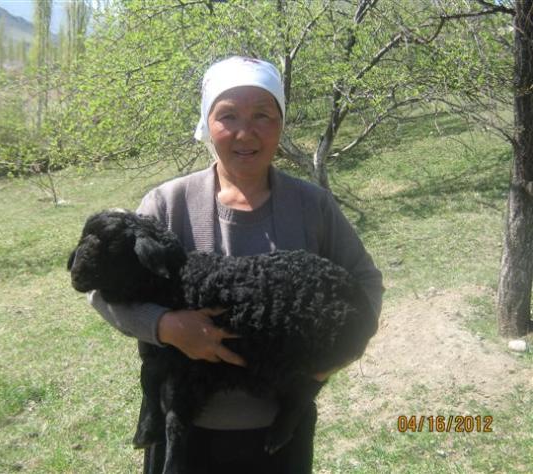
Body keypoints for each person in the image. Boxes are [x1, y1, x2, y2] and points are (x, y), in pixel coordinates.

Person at [89, 56, 383, 474]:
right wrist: (166, 327)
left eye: (263, 115)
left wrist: (322, 370)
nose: (246, 132)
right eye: (228, 116)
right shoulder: (167, 204)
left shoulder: (312, 206)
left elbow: (366, 281)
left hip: (279, 438)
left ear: (281, 124)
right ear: (207, 124)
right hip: (182, 435)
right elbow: (102, 293)